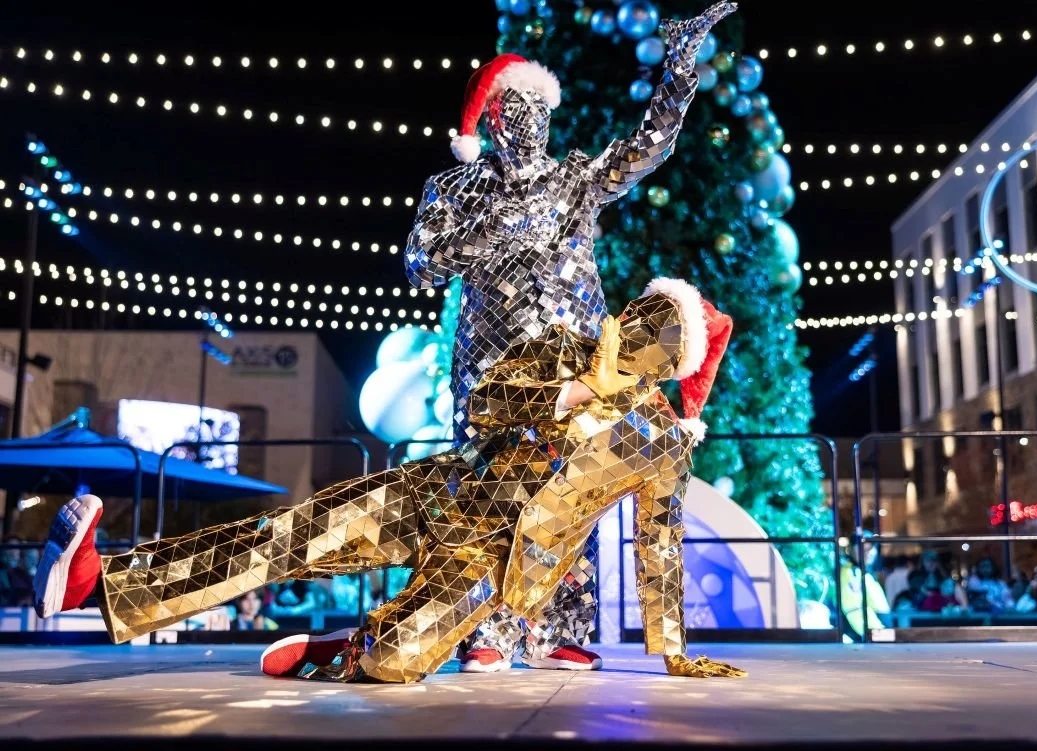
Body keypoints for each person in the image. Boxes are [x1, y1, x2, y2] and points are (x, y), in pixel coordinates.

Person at [35, 280, 745, 683]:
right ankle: (95, 582)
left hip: (490, 560)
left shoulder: (659, 440)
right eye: (641, 312)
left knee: (396, 662)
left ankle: (343, 648)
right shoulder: (562, 349)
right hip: (439, 492)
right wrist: (569, 394)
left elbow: (661, 543)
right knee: (280, 538)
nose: (634, 327)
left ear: (668, 363)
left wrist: (674, 649)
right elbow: (482, 404)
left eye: (658, 331)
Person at [404, 1, 736, 675]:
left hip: (580, 364)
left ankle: (553, 629)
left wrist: (678, 66)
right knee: (491, 489)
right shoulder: (454, 187)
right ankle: (488, 630)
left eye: (539, 105)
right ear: (493, 114)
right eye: (517, 105)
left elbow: (651, 146)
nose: (530, 118)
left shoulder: (574, 179)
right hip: (492, 364)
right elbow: (417, 264)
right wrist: (482, 234)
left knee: (575, 486)